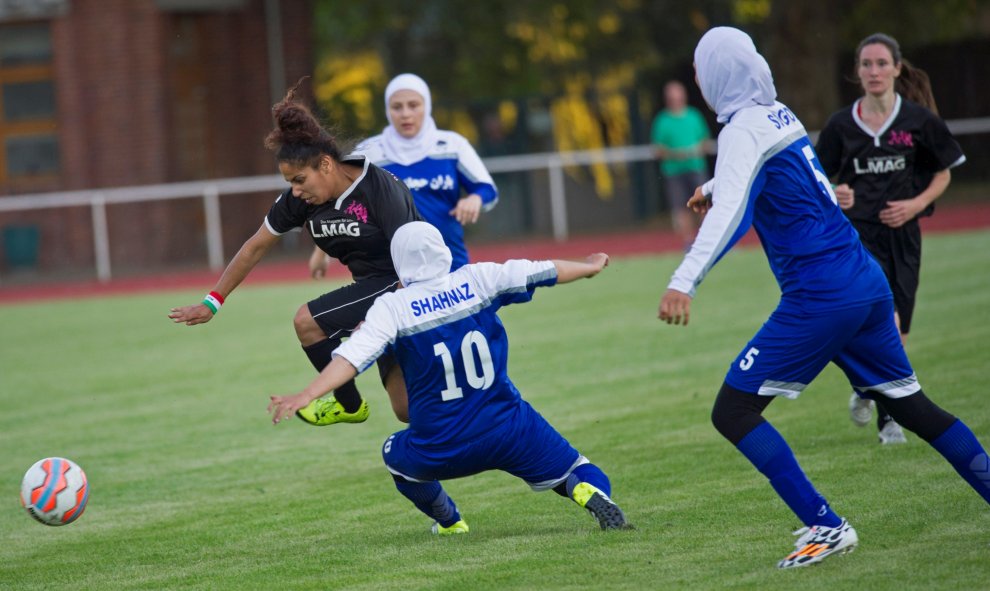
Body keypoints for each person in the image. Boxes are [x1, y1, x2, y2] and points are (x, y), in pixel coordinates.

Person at [657, 27, 990, 569]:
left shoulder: (742, 129)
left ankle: (825, 526)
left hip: (822, 295)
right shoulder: (776, 113)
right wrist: (716, 186)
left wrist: (683, 280)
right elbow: (780, 175)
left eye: (701, 67)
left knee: (734, 411)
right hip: (864, 279)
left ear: (716, 73)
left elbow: (732, 214)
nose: (697, 77)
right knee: (914, 408)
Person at [270, 221, 630, 534]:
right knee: (579, 469)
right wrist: (589, 266)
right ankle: (586, 493)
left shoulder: (392, 307)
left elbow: (349, 359)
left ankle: (450, 521)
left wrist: (307, 394)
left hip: (441, 445)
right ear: (442, 250)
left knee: (394, 455)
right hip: (510, 427)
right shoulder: (479, 278)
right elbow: (543, 270)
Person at [169, 79, 420, 426]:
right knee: (406, 410)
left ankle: (350, 406)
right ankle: (352, 406)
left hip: (407, 284)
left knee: (307, 321)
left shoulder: (380, 189)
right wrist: (213, 301)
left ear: (327, 166)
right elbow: (254, 247)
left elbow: (414, 264)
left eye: (300, 180)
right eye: (290, 182)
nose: (295, 190)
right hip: (374, 288)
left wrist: (383, 318)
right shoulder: (300, 200)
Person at [816, 32, 966, 444]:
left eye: (882, 63)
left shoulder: (918, 121)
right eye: (866, 64)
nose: (874, 71)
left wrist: (915, 205)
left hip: (904, 239)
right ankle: (890, 423)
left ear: (898, 68)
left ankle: (865, 388)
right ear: (857, 72)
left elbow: (944, 172)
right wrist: (836, 192)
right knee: (886, 324)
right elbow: (817, 178)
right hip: (857, 241)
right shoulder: (841, 125)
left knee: (897, 335)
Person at [309, 73, 498, 279]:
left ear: (427, 106)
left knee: (476, 313)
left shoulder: (452, 145)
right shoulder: (369, 153)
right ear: (387, 110)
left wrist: (475, 198)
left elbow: (487, 189)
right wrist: (322, 251)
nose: (405, 114)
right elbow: (338, 201)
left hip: (451, 263)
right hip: (392, 270)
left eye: (413, 105)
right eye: (397, 107)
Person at [650, 80, 713, 247]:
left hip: (696, 168)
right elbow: (658, 149)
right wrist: (675, 154)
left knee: (704, 205)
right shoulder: (662, 120)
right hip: (673, 171)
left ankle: (710, 241)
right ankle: (688, 243)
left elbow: (705, 142)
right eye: (672, 97)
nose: (675, 100)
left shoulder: (694, 116)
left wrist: (694, 151)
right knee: (680, 208)